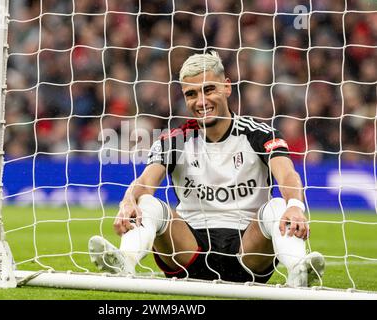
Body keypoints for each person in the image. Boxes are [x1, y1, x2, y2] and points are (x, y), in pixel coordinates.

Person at [88, 50, 325, 287]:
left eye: (209, 89)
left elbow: (287, 174)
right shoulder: (174, 139)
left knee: (278, 205)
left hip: (248, 252)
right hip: (189, 251)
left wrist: (294, 207)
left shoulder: (259, 133)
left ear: (227, 87)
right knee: (146, 203)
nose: (201, 101)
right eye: (191, 94)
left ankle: (298, 272)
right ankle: (124, 264)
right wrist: (127, 201)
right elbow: (145, 183)